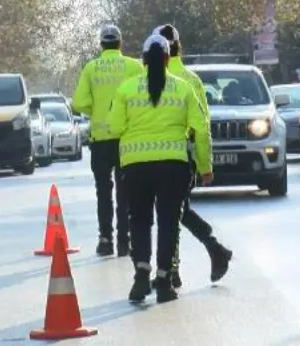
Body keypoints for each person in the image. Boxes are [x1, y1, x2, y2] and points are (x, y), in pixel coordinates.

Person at [107, 34, 213, 303]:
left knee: (140, 220)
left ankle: (141, 275)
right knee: (168, 221)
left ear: (143, 60)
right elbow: (201, 129)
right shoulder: (183, 89)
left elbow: (115, 127)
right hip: (173, 167)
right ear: (168, 58)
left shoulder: (126, 90)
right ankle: (164, 282)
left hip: (135, 168)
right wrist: (204, 166)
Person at [153, 24, 232, 288]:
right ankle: (207, 253)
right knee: (176, 211)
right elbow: (203, 126)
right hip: (182, 156)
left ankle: (173, 268)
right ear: (178, 46)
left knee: (171, 213)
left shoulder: (148, 77)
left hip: (157, 156)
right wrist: (204, 163)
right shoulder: (192, 79)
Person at [73, 25, 145, 257]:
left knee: (103, 192)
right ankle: (125, 242)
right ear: (120, 43)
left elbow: (78, 103)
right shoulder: (134, 67)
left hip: (101, 139)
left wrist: (97, 111)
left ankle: (105, 240)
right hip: (127, 139)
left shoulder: (91, 68)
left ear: (101, 44)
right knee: (126, 192)